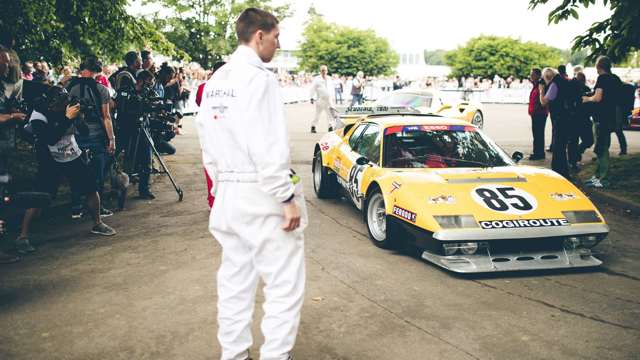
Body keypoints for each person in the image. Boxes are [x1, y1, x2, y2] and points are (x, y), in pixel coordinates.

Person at [195, 8, 306, 360]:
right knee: (284, 284)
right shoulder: (259, 79)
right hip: (260, 189)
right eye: (275, 37)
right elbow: (269, 145)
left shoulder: (215, 82)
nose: (278, 44)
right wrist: (285, 196)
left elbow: (205, 140)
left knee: (234, 282)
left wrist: (217, 186)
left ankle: (235, 355)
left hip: (228, 190)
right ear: (259, 35)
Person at [17, 86, 116, 252]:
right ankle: (22, 236)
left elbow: (83, 132)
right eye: (60, 105)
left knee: (91, 187)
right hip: (50, 159)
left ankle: (97, 223)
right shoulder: (38, 116)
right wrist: (67, 118)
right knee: (39, 195)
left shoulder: (68, 107)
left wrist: (80, 118)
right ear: (50, 104)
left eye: (65, 102)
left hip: (72, 153)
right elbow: (51, 138)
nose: (63, 106)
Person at [67, 56, 116, 219]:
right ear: (96, 70)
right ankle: (97, 208)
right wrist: (111, 139)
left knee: (76, 171)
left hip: (74, 135)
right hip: (96, 135)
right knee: (97, 172)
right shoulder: (101, 89)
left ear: (83, 69)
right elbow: (106, 116)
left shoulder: (70, 86)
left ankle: (76, 207)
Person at [582, 56, 621, 188]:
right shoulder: (615, 79)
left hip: (601, 119)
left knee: (601, 149)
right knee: (602, 147)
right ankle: (598, 177)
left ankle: (603, 179)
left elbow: (598, 98)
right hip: (611, 118)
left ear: (599, 66)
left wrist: (587, 99)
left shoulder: (603, 79)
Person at [539, 67, 573, 178]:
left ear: (548, 77)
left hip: (560, 118)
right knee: (561, 146)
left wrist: (541, 90)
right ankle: (562, 170)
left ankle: (559, 171)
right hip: (567, 116)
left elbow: (544, 102)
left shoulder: (554, 85)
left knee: (558, 146)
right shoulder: (564, 82)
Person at [567, 71, 594, 169]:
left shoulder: (585, 89)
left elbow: (590, 104)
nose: (583, 82)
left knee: (588, 140)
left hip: (582, 118)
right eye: (582, 80)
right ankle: (573, 162)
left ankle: (576, 154)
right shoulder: (570, 88)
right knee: (573, 141)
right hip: (574, 118)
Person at [527, 68, 548, 160]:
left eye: (533, 74)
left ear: (538, 75)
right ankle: (538, 152)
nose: (531, 76)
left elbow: (541, 99)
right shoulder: (536, 85)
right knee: (537, 134)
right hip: (536, 113)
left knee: (538, 134)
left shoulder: (541, 85)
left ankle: (538, 153)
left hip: (539, 113)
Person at [309, 65, 336, 133]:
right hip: (320, 99)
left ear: (327, 71)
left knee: (330, 114)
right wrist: (311, 97)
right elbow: (312, 88)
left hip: (329, 100)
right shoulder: (317, 79)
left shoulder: (329, 78)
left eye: (325, 70)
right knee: (317, 114)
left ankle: (330, 127)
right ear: (320, 71)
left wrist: (333, 97)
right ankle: (313, 126)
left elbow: (332, 88)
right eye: (322, 70)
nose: (324, 72)